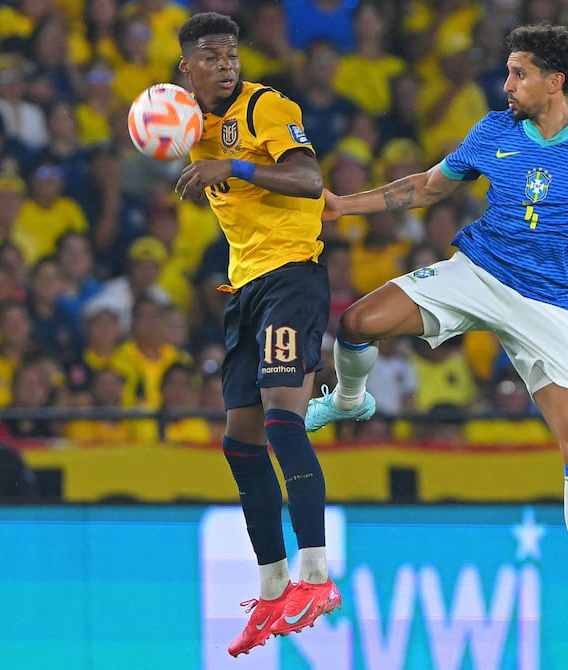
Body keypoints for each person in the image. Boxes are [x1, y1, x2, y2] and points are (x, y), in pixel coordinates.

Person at [305, 24, 568, 653]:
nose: (506, 85)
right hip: (476, 273)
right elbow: (427, 187)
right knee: (357, 323)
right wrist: (342, 206)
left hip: (547, 307)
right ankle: (347, 400)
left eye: (518, 73)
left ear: (555, 81)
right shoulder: (493, 131)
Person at [172, 11, 340, 657]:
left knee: (280, 421)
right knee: (239, 442)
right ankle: (272, 589)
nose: (225, 65)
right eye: (210, 56)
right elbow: (163, 128)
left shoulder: (266, 107)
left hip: (291, 276)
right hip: (244, 290)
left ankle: (316, 577)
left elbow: (309, 180)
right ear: (187, 66)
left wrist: (234, 168)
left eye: (231, 55)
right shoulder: (189, 122)